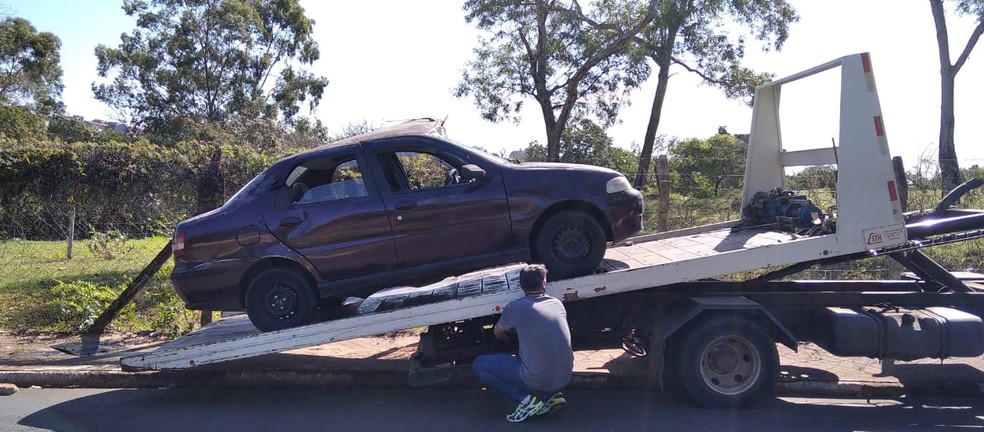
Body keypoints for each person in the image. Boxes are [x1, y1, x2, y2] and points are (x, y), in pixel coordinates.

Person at [471, 264, 574, 423]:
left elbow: (498, 332)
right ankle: (551, 395)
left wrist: (506, 340)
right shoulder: (557, 304)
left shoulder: (515, 307)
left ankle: (527, 400)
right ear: (543, 284)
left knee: (479, 364)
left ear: (521, 285)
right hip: (564, 379)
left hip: (537, 380)